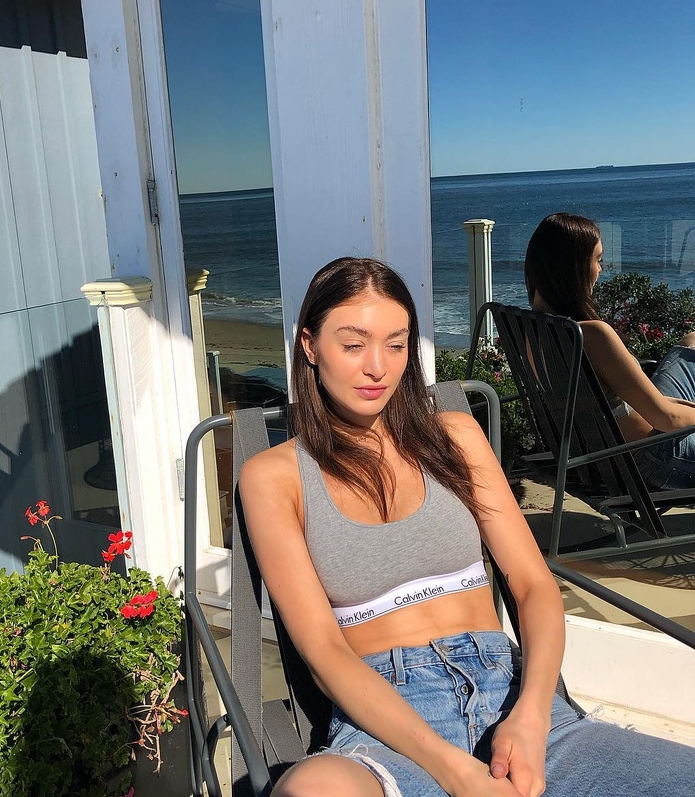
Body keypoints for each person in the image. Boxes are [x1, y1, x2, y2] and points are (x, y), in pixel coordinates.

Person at [239, 256, 695, 797]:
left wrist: (532, 715)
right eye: (354, 344)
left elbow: (534, 587)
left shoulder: (454, 437)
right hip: (388, 726)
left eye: (396, 344)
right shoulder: (274, 477)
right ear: (311, 346)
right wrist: (456, 772)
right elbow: (324, 653)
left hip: (511, 699)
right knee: (311, 790)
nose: (378, 367)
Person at [525, 212, 695, 490]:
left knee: (691, 341)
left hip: (602, 456)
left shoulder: (533, 330)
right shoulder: (591, 335)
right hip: (652, 456)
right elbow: (668, 419)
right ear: (573, 268)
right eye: (598, 260)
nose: (601, 270)